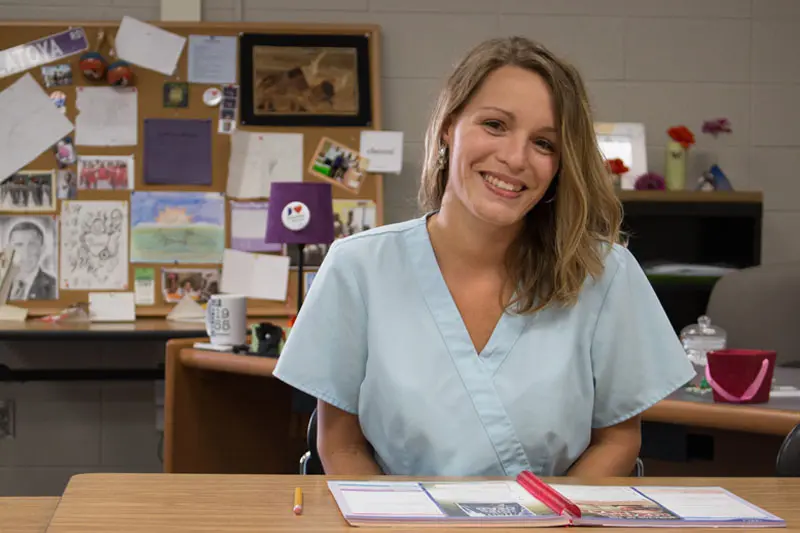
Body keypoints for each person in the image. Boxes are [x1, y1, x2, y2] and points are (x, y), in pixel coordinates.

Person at [273, 36, 695, 478]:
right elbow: (340, 446)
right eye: (494, 124)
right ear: (448, 127)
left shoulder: (605, 275)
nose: (515, 158)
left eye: (545, 143)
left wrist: (552, 522)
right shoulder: (358, 267)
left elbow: (619, 440)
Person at [7, 221, 56, 301]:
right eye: (19, 245)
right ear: (9, 249)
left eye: (32, 244)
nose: (26, 252)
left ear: (42, 248)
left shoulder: (54, 287)